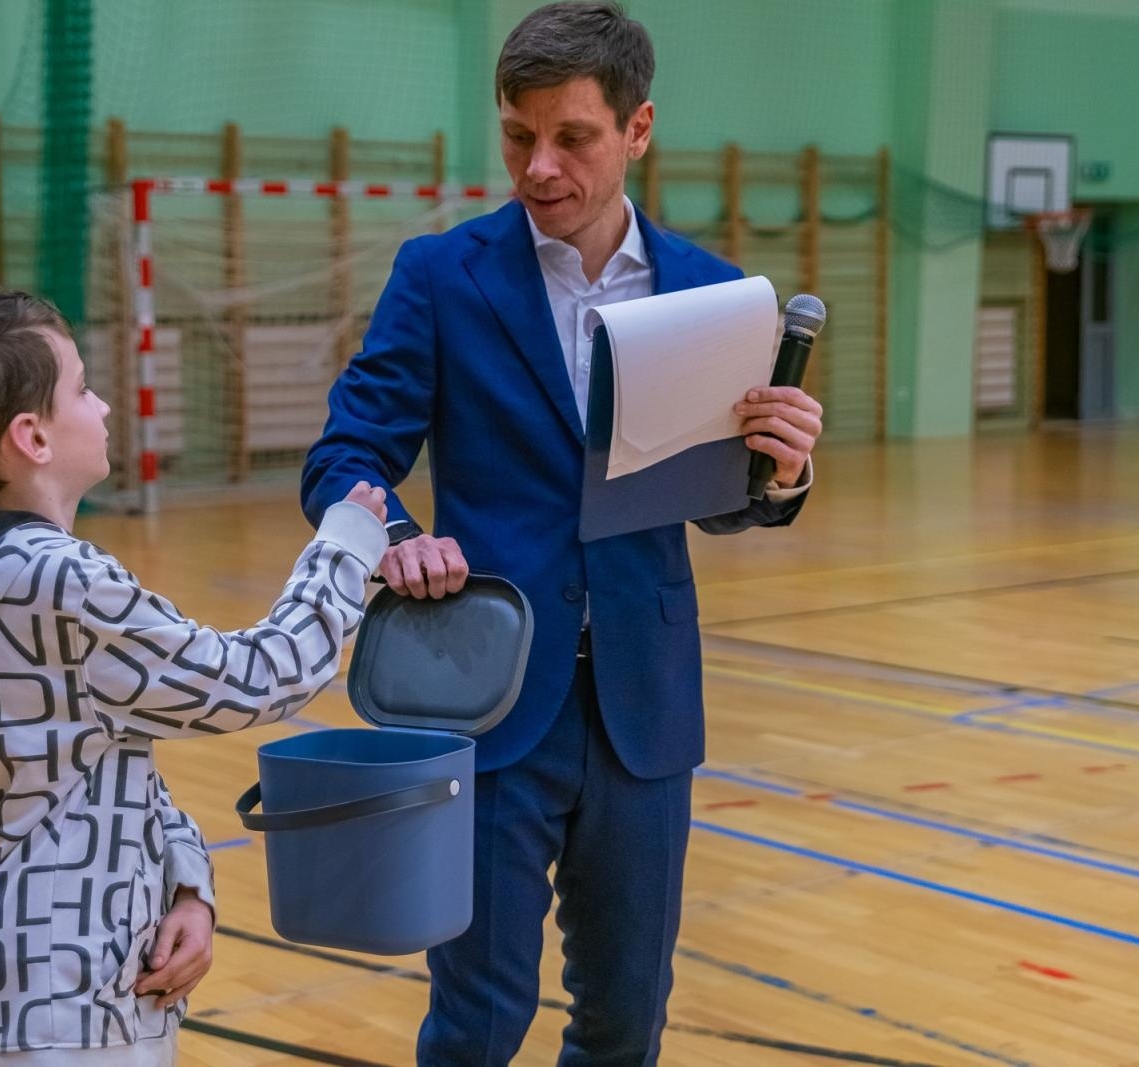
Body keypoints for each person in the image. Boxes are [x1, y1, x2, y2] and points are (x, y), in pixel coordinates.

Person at [300, 3, 823, 1062]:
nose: (539, 167)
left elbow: (719, 499)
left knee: (626, 1018)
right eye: (517, 135)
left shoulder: (715, 295)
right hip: (486, 695)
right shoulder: (440, 276)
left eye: (572, 137)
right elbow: (345, 452)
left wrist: (783, 470)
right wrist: (394, 530)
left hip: (644, 710)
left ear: (638, 129)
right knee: (476, 1022)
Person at [0, 282, 389, 1065]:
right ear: (32, 437)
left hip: (51, 979)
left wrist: (186, 881)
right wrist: (345, 549)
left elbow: (102, 763)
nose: (105, 405)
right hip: (62, 999)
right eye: (82, 389)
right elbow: (255, 679)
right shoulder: (55, 578)